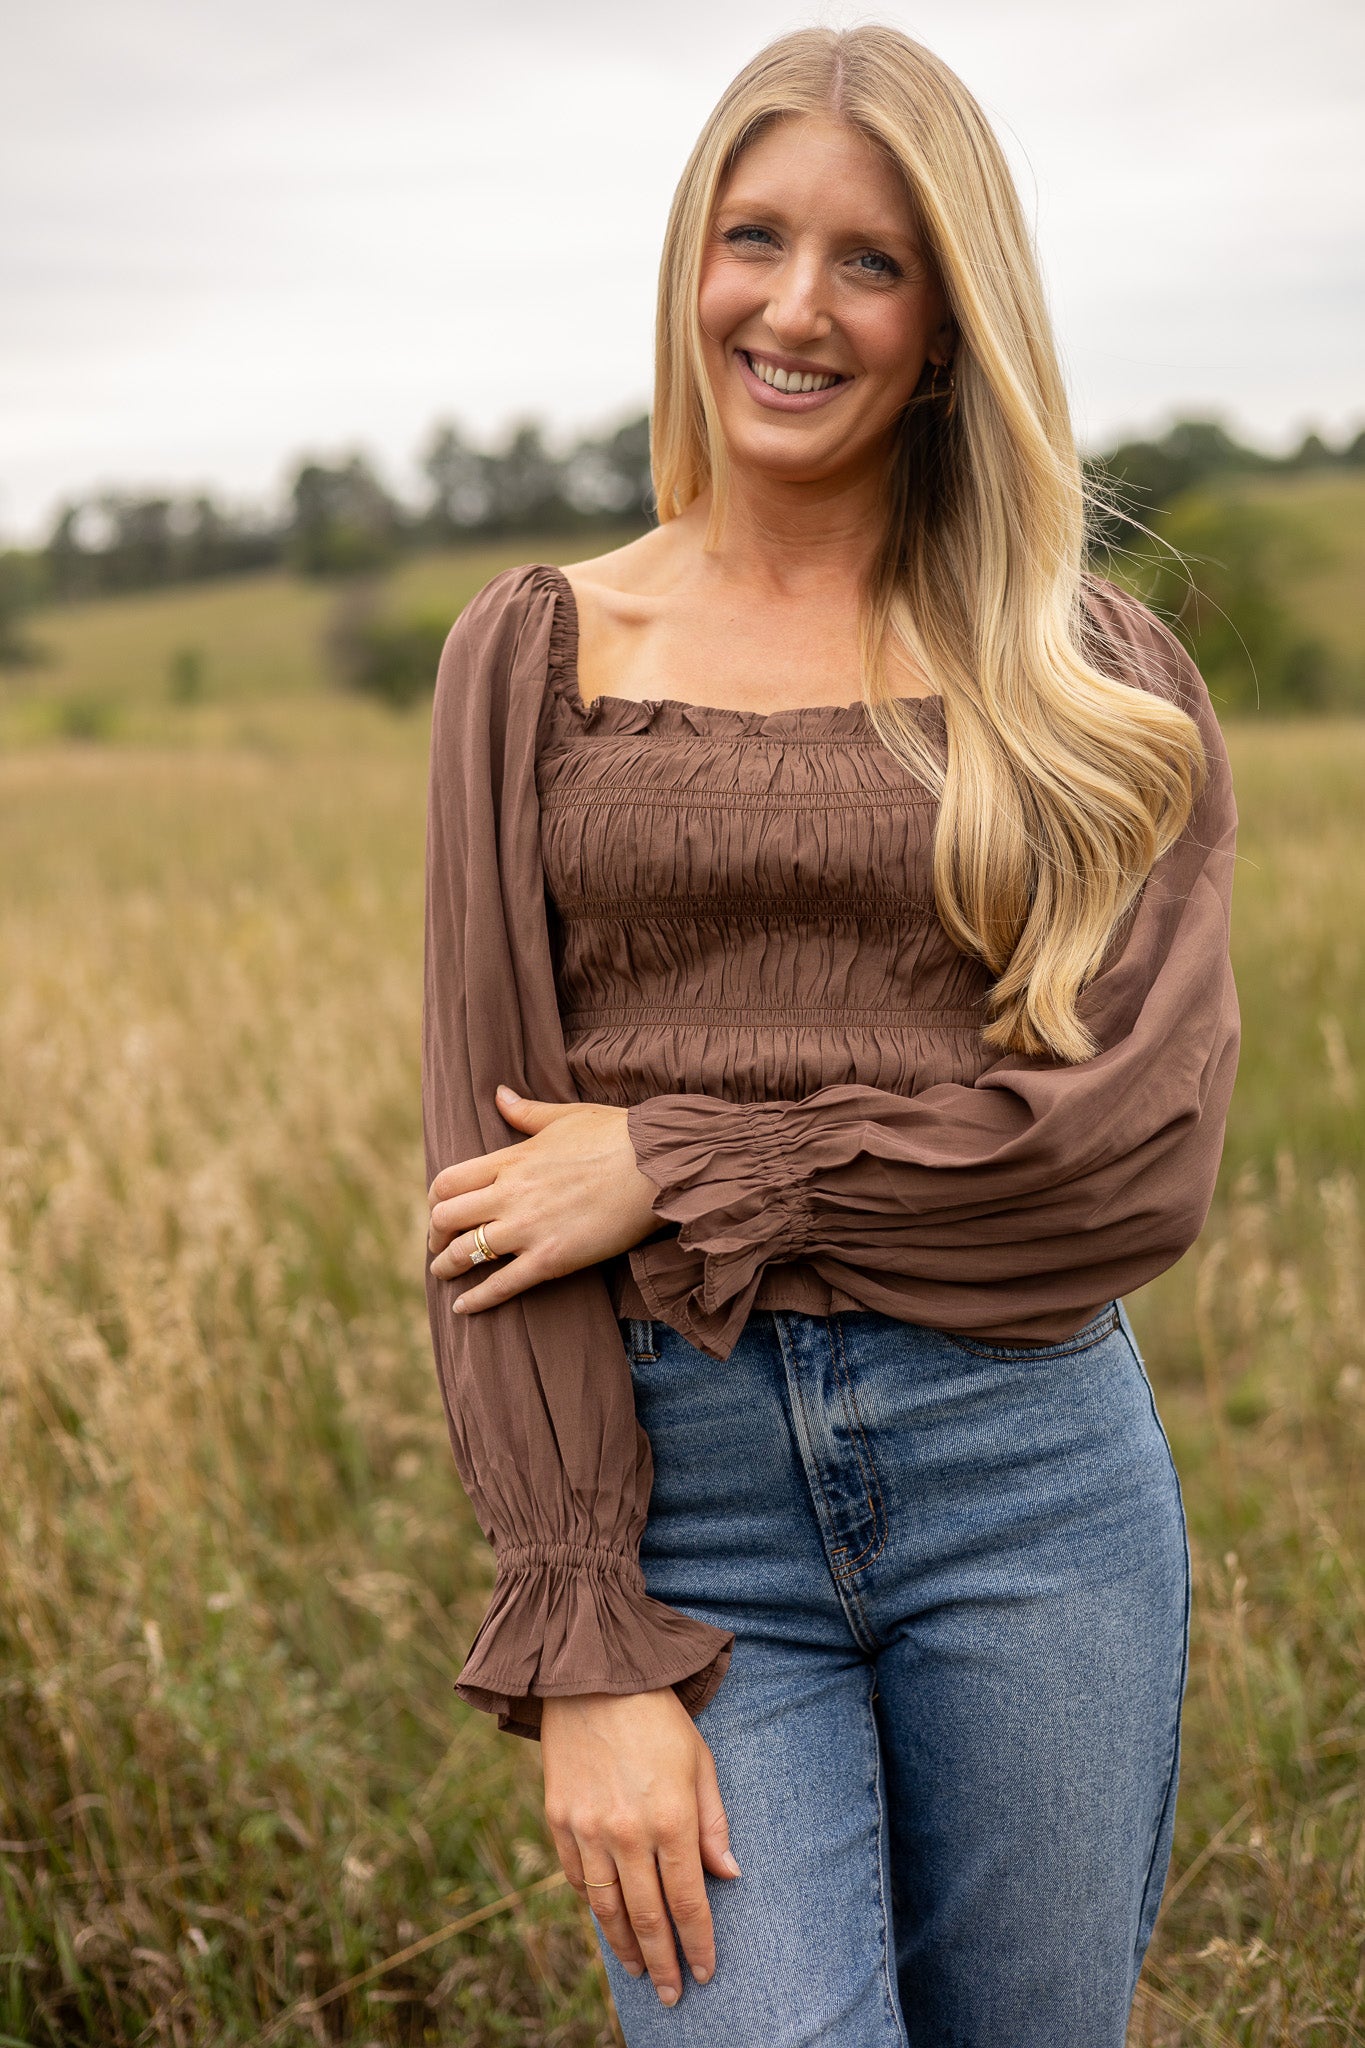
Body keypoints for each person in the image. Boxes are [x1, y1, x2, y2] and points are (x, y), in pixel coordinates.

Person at [421, 23, 1240, 2046]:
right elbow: (490, 1191)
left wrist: (681, 1160)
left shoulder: (1090, 677)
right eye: (751, 235)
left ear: (949, 322)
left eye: (867, 261)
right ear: (689, 263)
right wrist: (584, 1639)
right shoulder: (532, 652)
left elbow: (1118, 1150)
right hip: (681, 1501)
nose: (792, 306)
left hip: (1024, 1476)